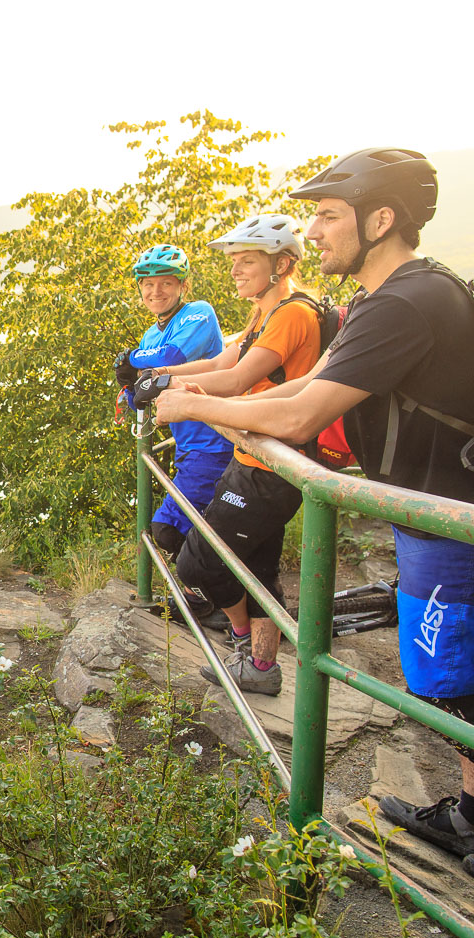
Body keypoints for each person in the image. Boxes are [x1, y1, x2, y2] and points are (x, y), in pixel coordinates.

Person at [152, 148, 474, 898]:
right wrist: (216, 401)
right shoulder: (390, 298)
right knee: (463, 675)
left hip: (457, 526)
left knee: (448, 687)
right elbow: (305, 392)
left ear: (380, 219)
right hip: (436, 517)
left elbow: (298, 412)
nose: (313, 231)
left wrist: (191, 404)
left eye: (327, 215)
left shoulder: (405, 303)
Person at [147, 214, 322, 695]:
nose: (236, 271)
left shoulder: (293, 314)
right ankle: (263, 669)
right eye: (234, 262)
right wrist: (164, 374)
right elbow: (225, 362)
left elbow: (241, 380)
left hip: (271, 465)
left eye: (247, 261)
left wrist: (170, 387)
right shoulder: (264, 313)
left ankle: (243, 643)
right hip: (252, 457)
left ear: (283, 263)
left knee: (197, 564)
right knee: (259, 569)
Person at [115, 244, 232, 615]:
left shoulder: (198, 314)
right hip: (189, 447)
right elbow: (140, 396)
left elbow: (170, 360)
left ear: (182, 285)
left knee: (168, 529)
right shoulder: (152, 334)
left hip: (215, 441)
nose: (155, 292)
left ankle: (211, 601)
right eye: (147, 285)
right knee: (197, 528)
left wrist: (130, 360)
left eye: (165, 283)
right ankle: (210, 598)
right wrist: (130, 389)